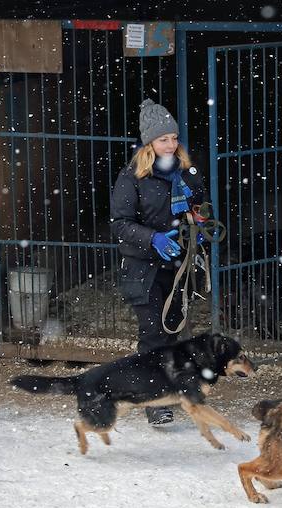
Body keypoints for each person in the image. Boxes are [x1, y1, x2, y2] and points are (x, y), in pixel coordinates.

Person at [110, 98, 208, 426]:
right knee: (152, 335)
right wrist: (152, 238)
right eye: (163, 139)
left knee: (173, 332)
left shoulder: (185, 171)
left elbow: (200, 203)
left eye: (174, 138)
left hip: (178, 266)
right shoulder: (133, 176)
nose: (171, 144)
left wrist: (200, 222)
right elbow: (120, 223)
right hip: (143, 268)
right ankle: (153, 401)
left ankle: (173, 390)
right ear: (149, 142)